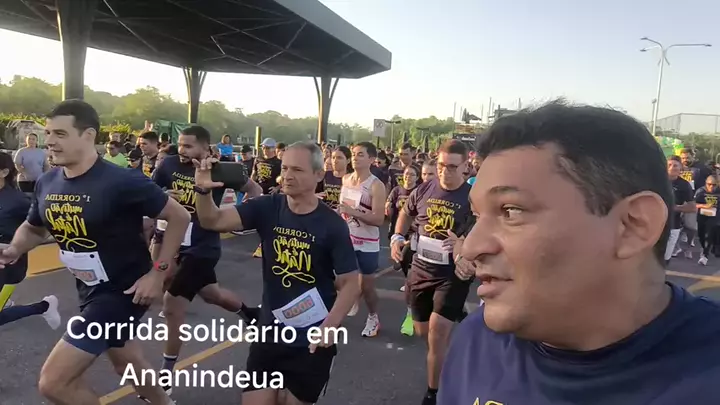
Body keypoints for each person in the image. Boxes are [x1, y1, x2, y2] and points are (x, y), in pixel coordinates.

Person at [440, 101, 720, 405]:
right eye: (478, 215)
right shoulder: (475, 343)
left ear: (633, 225)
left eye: (511, 210)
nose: (472, 247)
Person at [0, 99, 190, 405]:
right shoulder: (48, 182)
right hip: (88, 288)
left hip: (124, 291)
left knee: (54, 383)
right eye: (48, 133)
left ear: (88, 136)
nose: (50, 141)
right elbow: (34, 228)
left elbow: (179, 216)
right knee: (126, 362)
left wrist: (158, 274)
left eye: (60, 134)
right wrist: (14, 248)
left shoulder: (123, 180)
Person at [192, 141, 360, 405]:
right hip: (269, 333)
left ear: (318, 174)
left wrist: (329, 327)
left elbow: (351, 283)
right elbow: (212, 220)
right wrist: (202, 190)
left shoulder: (332, 224)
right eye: (285, 168)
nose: (288, 176)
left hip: (311, 340)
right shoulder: (267, 207)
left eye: (297, 170)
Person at [150, 125, 262, 397]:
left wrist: (236, 217)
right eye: (180, 144)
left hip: (203, 247)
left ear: (205, 147)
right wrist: (162, 196)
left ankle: (166, 374)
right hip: (172, 240)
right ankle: (251, 314)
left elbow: (256, 190)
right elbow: (149, 191)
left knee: (172, 304)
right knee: (211, 294)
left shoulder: (222, 170)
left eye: (188, 146)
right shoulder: (168, 165)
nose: (182, 150)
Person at [390, 139, 472, 405]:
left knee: (437, 334)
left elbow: (485, 230)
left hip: (452, 274)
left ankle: (434, 393)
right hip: (421, 269)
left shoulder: (473, 198)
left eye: (452, 167)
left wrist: (464, 246)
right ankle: (443, 357)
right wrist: (397, 237)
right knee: (423, 332)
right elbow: (406, 213)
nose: (445, 171)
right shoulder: (425, 188)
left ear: (466, 167)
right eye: (441, 165)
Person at [0, 151, 60, 328]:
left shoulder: (18, 201)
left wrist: (15, 247)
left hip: (8, 267)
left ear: (4, 172)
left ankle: (44, 307)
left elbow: (42, 229)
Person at [339, 142, 386, 336]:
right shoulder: (346, 179)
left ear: (371, 159)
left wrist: (353, 212)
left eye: (360, 154)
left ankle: (373, 317)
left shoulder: (376, 185)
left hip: (367, 243)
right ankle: (343, 306)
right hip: (346, 239)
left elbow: (378, 219)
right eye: (353, 154)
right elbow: (343, 208)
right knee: (339, 280)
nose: (355, 158)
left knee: (367, 287)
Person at [385, 164, 421, 336]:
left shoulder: (420, 192)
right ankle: (409, 282)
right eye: (406, 174)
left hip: (416, 236)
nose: (408, 177)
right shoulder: (397, 190)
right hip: (400, 233)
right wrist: (387, 206)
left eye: (412, 174)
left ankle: (412, 312)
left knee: (410, 265)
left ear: (417, 177)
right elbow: (390, 205)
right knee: (403, 264)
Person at [250, 138, 283, 257]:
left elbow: (283, 178)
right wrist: (251, 187)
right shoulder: (258, 159)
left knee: (269, 220)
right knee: (260, 219)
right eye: (263, 147)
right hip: (259, 192)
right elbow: (254, 174)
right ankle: (265, 243)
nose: (265, 150)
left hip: (271, 194)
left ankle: (264, 245)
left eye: (268, 148)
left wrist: (277, 188)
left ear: (274, 149)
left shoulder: (279, 163)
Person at [665, 156, 695, 264]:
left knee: (666, 257)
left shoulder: (684, 185)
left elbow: (692, 207)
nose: (672, 168)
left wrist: (675, 208)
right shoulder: (656, 181)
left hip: (673, 224)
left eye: (675, 165)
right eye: (669, 165)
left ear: (680, 168)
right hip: (655, 223)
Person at [695, 174, 720, 265]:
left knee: (708, 235)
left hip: (714, 217)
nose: (711, 186)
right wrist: (704, 206)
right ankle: (704, 248)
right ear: (706, 183)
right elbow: (693, 204)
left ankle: (705, 255)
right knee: (701, 235)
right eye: (709, 184)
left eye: (714, 185)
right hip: (702, 216)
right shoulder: (701, 191)